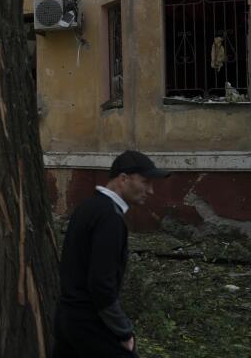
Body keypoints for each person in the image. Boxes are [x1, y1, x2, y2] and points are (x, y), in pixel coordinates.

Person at [52, 150, 171, 358]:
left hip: (68, 318)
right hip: (89, 323)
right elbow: (101, 284)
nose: (150, 190)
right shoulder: (109, 217)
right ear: (123, 179)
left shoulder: (87, 207)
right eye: (145, 182)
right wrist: (123, 331)